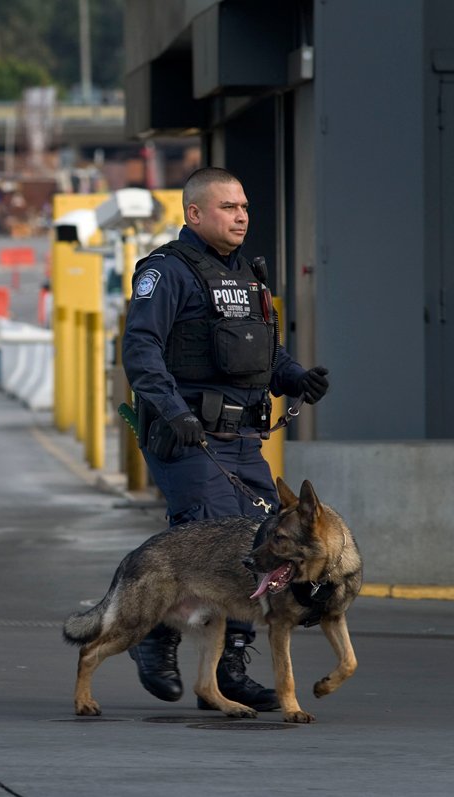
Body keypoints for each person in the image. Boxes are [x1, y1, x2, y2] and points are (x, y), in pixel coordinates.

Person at [121, 166, 331, 712]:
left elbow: (263, 355)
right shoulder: (167, 272)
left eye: (244, 206)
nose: (241, 216)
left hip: (241, 438)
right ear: (195, 213)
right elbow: (140, 352)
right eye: (227, 207)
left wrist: (294, 377)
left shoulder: (246, 276)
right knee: (208, 540)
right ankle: (152, 636)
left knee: (263, 542)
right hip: (189, 436)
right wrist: (171, 412)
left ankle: (230, 668)